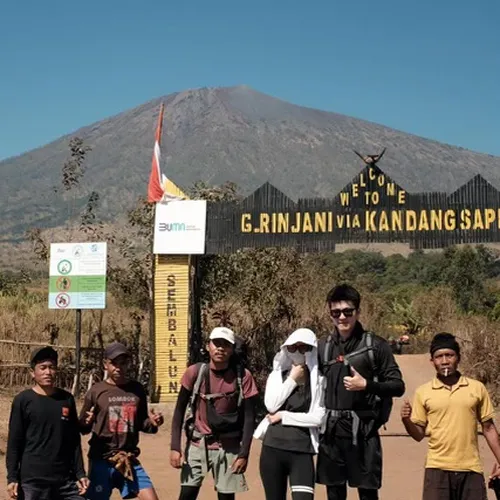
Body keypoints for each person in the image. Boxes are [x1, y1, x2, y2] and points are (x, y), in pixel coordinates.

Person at [316, 284, 405, 500]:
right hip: (332, 433)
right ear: (330, 314)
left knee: (367, 494)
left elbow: (398, 386)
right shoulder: (322, 347)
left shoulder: (376, 346)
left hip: (364, 432)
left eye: (348, 311)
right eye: (336, 313)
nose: (342, 317)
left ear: (358, 312)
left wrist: (367, 385)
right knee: (334, 493)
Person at [401, 332, 500, 500]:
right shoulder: (423, 392)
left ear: (458, 358)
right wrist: (406, 420)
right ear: (432, 361)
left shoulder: (476, 388)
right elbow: (418, 434)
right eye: (439, 357)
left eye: (450, 355)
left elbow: (489, 428)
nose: (445, 361)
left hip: (471, 469)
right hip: (437, 469)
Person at [170, 327, 259, 500]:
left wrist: (243, 454)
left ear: (232, 349)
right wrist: (175, 447)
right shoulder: (195, 372)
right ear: (208, 346)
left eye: (226, 345)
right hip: (197, 445)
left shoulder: (243, 377)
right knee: (187, 494)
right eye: (216, 343)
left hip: (229, 448)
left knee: (226, 497)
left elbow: (249, 418)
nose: (220, 348)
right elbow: (179, 410)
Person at [79, 341, 164, 500]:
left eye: (123, 363)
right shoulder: (96, 391)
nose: (118, 367)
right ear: (105, 365)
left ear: (128, 365)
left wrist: (153, 423)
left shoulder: (137, 390)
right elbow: (82, 427)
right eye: (113, 363)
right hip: (101, 460)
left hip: (128, 458)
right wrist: (86, 421)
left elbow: (141, 424)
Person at [6, 346, 89, 500]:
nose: (48, 372)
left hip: (64, 479)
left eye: (51, 367)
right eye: (42, 368)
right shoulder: (23, 401)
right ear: (33, 373)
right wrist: (12, 477)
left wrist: (80, 473)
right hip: (33, 481)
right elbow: (14, 442)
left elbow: (73, 440)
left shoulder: (66, 399)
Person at [254, 328, 325, 500]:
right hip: (273, 448)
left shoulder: (320, 380)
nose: (298, 352)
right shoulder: (277, 376)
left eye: (304, 348)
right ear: (286, 349)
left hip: (301, 450)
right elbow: (271, 405)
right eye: (293, 348)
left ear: (312, 350)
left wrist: (283, 416)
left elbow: (319, 418)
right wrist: (292, 379)